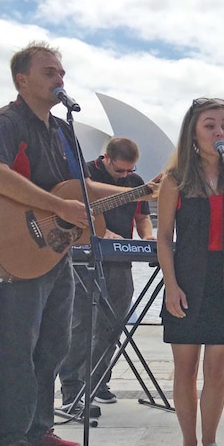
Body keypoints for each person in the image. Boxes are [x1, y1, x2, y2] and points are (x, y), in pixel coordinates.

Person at [0, 41, 156, 446]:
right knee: (19, 346)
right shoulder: (6, 120)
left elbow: (80, 189)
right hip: (18, 248)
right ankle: (12, 439)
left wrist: (143, 191)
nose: (60, 79)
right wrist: (56, 208)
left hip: (54, 253)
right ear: (23, 79)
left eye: (61, 72)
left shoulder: (61, 129)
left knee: (55, 341)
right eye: (49, 72)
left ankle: (39, 428)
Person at [157, 97, 224, 446]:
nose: (219, 132)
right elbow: (164, 237)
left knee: (217, 369)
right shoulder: (176, 180)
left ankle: (212, 442)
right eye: (210, 125)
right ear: (193, 133)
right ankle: (187, 443)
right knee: (186, 368)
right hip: (188, 278)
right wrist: (171, 284)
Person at [58, 137, 155, 416]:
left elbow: (141, 216)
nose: (125, 176)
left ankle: (99, 382)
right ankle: (72, 389)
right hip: (84, 255)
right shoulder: (85, 175)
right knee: (81, 324)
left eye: (130, 171)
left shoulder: (136, 181)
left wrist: (147, 237)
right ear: (106, 159)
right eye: (120, 171)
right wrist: (99, 233)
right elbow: (69, 210)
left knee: (113, 323)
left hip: (119, 259)